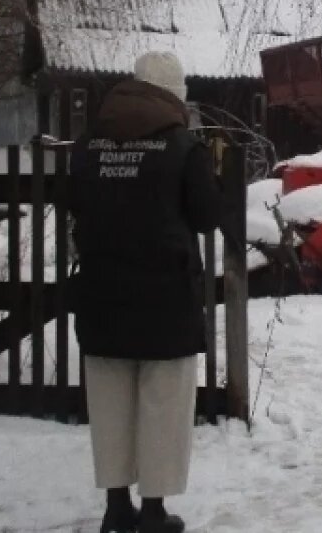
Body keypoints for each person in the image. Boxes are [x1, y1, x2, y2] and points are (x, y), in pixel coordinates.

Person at [68, 51, 221, 533]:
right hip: (166, 299)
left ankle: (116, 507)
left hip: (101, 292)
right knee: (164, 404)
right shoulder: (183, 148)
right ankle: (153, 510)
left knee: (109, 402)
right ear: (175, 97)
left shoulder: (88, 146)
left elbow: (73, 203)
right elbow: (206, 216)